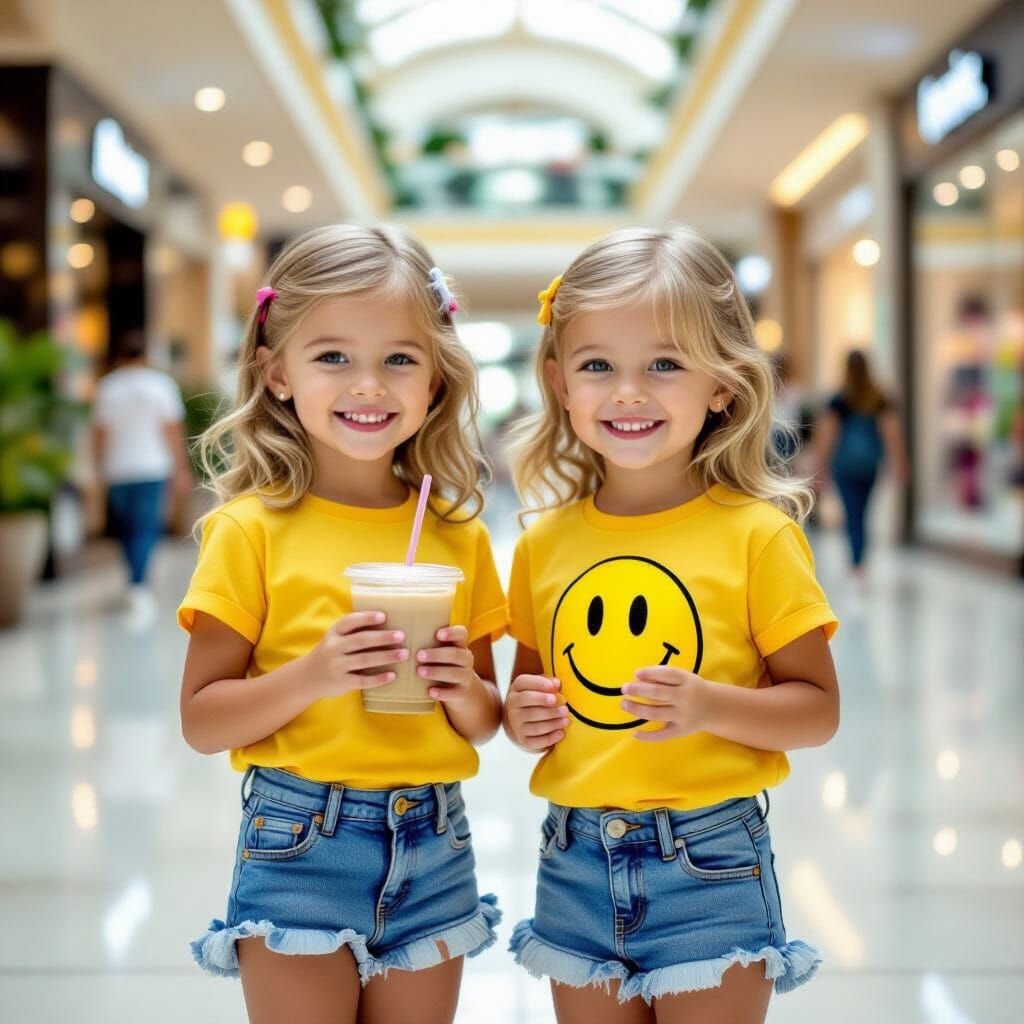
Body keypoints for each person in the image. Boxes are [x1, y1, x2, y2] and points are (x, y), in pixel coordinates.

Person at [502, 226, 840, 1023]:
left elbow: (817, 711)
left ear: (722, 384)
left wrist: (708, 705)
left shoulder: (757, 534)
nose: (629, 392)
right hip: (574, 860)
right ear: (559, 382)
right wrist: (523, 718)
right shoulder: (544, 542)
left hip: (712, 864)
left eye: (664, 364)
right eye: (598, 366)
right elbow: (530, 697)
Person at [177, 225, 508, 1024]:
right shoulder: (250, 529)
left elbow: (486, 721)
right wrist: (314, 675)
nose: (369, 384)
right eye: (333, 357)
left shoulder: (458, 535)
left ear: (437, 380)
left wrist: (463, 687)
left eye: (400, 358)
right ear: (277, 373)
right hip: (298, 838)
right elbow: (202, 720)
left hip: (434, 841)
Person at [91, 330, 192, 617]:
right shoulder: (161, 385)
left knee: (127, 528)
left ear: (120, 356)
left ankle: (135, 581)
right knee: (145, 526)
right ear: (145, 356)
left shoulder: (107, 387)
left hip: (118, 469)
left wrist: (99, 467)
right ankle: (138, 582)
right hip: (152, 466)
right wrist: (181, 468)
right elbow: (173, 430)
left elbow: (100, 433)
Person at [814, 349, 907, 574]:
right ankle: (860, 561)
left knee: (852, 513)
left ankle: (856, 563)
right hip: (869, 466)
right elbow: (891, 434)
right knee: (863, 513)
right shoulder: (879, 399)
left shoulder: (839, 400)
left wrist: (820, 466)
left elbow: (827, 436)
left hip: (844, 466)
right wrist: (901, 462)